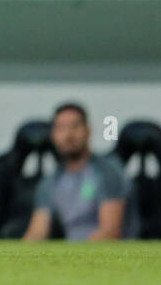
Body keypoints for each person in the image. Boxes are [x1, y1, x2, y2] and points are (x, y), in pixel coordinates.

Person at [24, 103, 133, 240]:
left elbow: (110, 232)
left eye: (75, 126)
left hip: (108, 255)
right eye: (61, 128)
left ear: (88, 131)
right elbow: (37, 233)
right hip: (73, 254)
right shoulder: (50, 182)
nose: (68, 135)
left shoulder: (107, 172)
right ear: (53, 135)